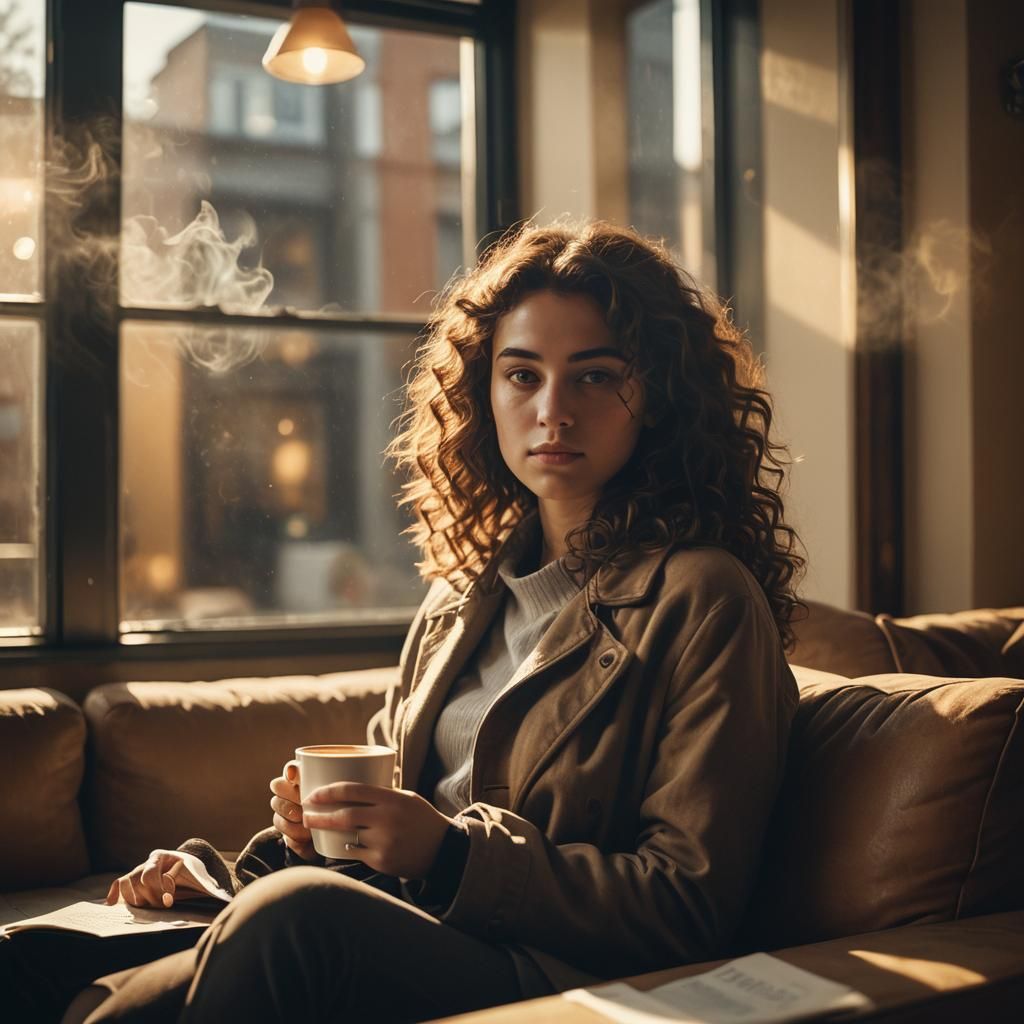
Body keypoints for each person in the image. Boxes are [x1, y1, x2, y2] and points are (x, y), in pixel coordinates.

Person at [39, 219, 803, 1023]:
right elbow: (389, 836)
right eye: (521, 376)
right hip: (400, 934)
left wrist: (448, 854)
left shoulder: (705, 599)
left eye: (594, 376)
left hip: (549, 975)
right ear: (485, 394)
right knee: (39, 960)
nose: (552, 411)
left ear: (656, 396)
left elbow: (689, 905)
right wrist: (285, 845)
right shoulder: (460, 600)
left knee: (296, 923)